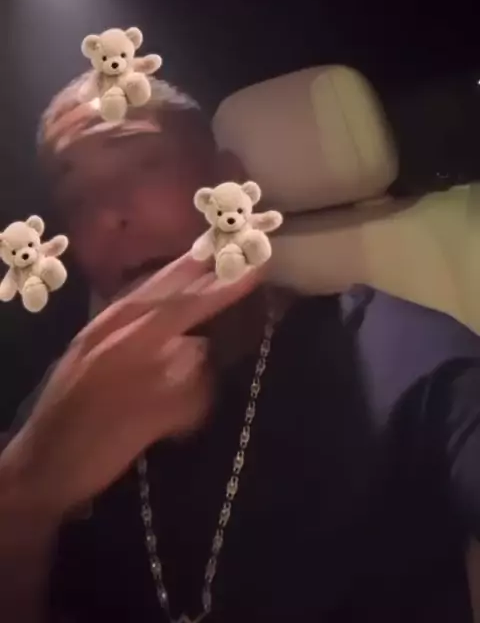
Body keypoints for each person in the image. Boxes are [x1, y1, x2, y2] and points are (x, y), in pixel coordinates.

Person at [1, 72, 480, 623]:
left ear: (228, 182)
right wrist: (24, 498)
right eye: (76, 198)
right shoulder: (67, 401)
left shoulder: (399, 358)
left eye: (142, 165)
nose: (108, 215)